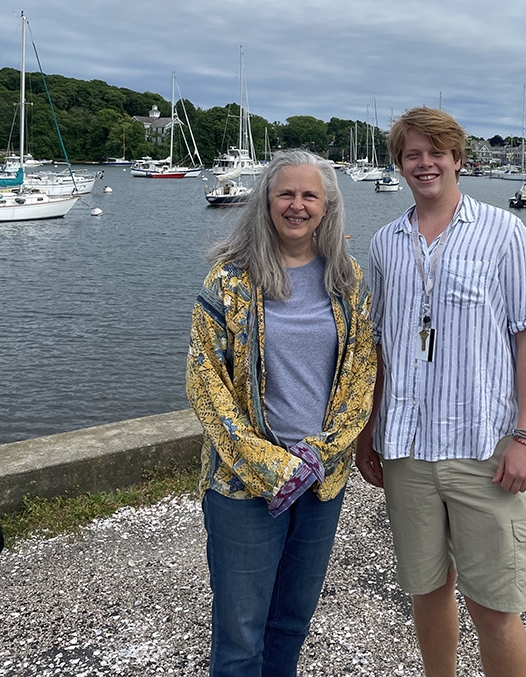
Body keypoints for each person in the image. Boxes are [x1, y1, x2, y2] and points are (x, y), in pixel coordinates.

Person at [356, 107, 526, 677]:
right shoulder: (386, 243)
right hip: (407, 451)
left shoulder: (503, 231)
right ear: (399, 165)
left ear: (458, 159)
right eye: (412, 154)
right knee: (426, 591)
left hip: (483, 450)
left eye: (435, 152)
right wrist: (370, 429)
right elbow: (380, 348)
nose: (425, 164)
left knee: (494, 606)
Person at [187, 149, 376, 677]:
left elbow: (361, 374)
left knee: (291, 622)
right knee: (240, 635)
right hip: (241, 485)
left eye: (309, 194)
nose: (297, 205)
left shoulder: (347, 280)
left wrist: (317, 454)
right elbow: (206, 382)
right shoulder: (230, 281)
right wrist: (270, 465)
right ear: (266, 203)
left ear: (328, 205)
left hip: (320, 482)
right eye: (285, 194)